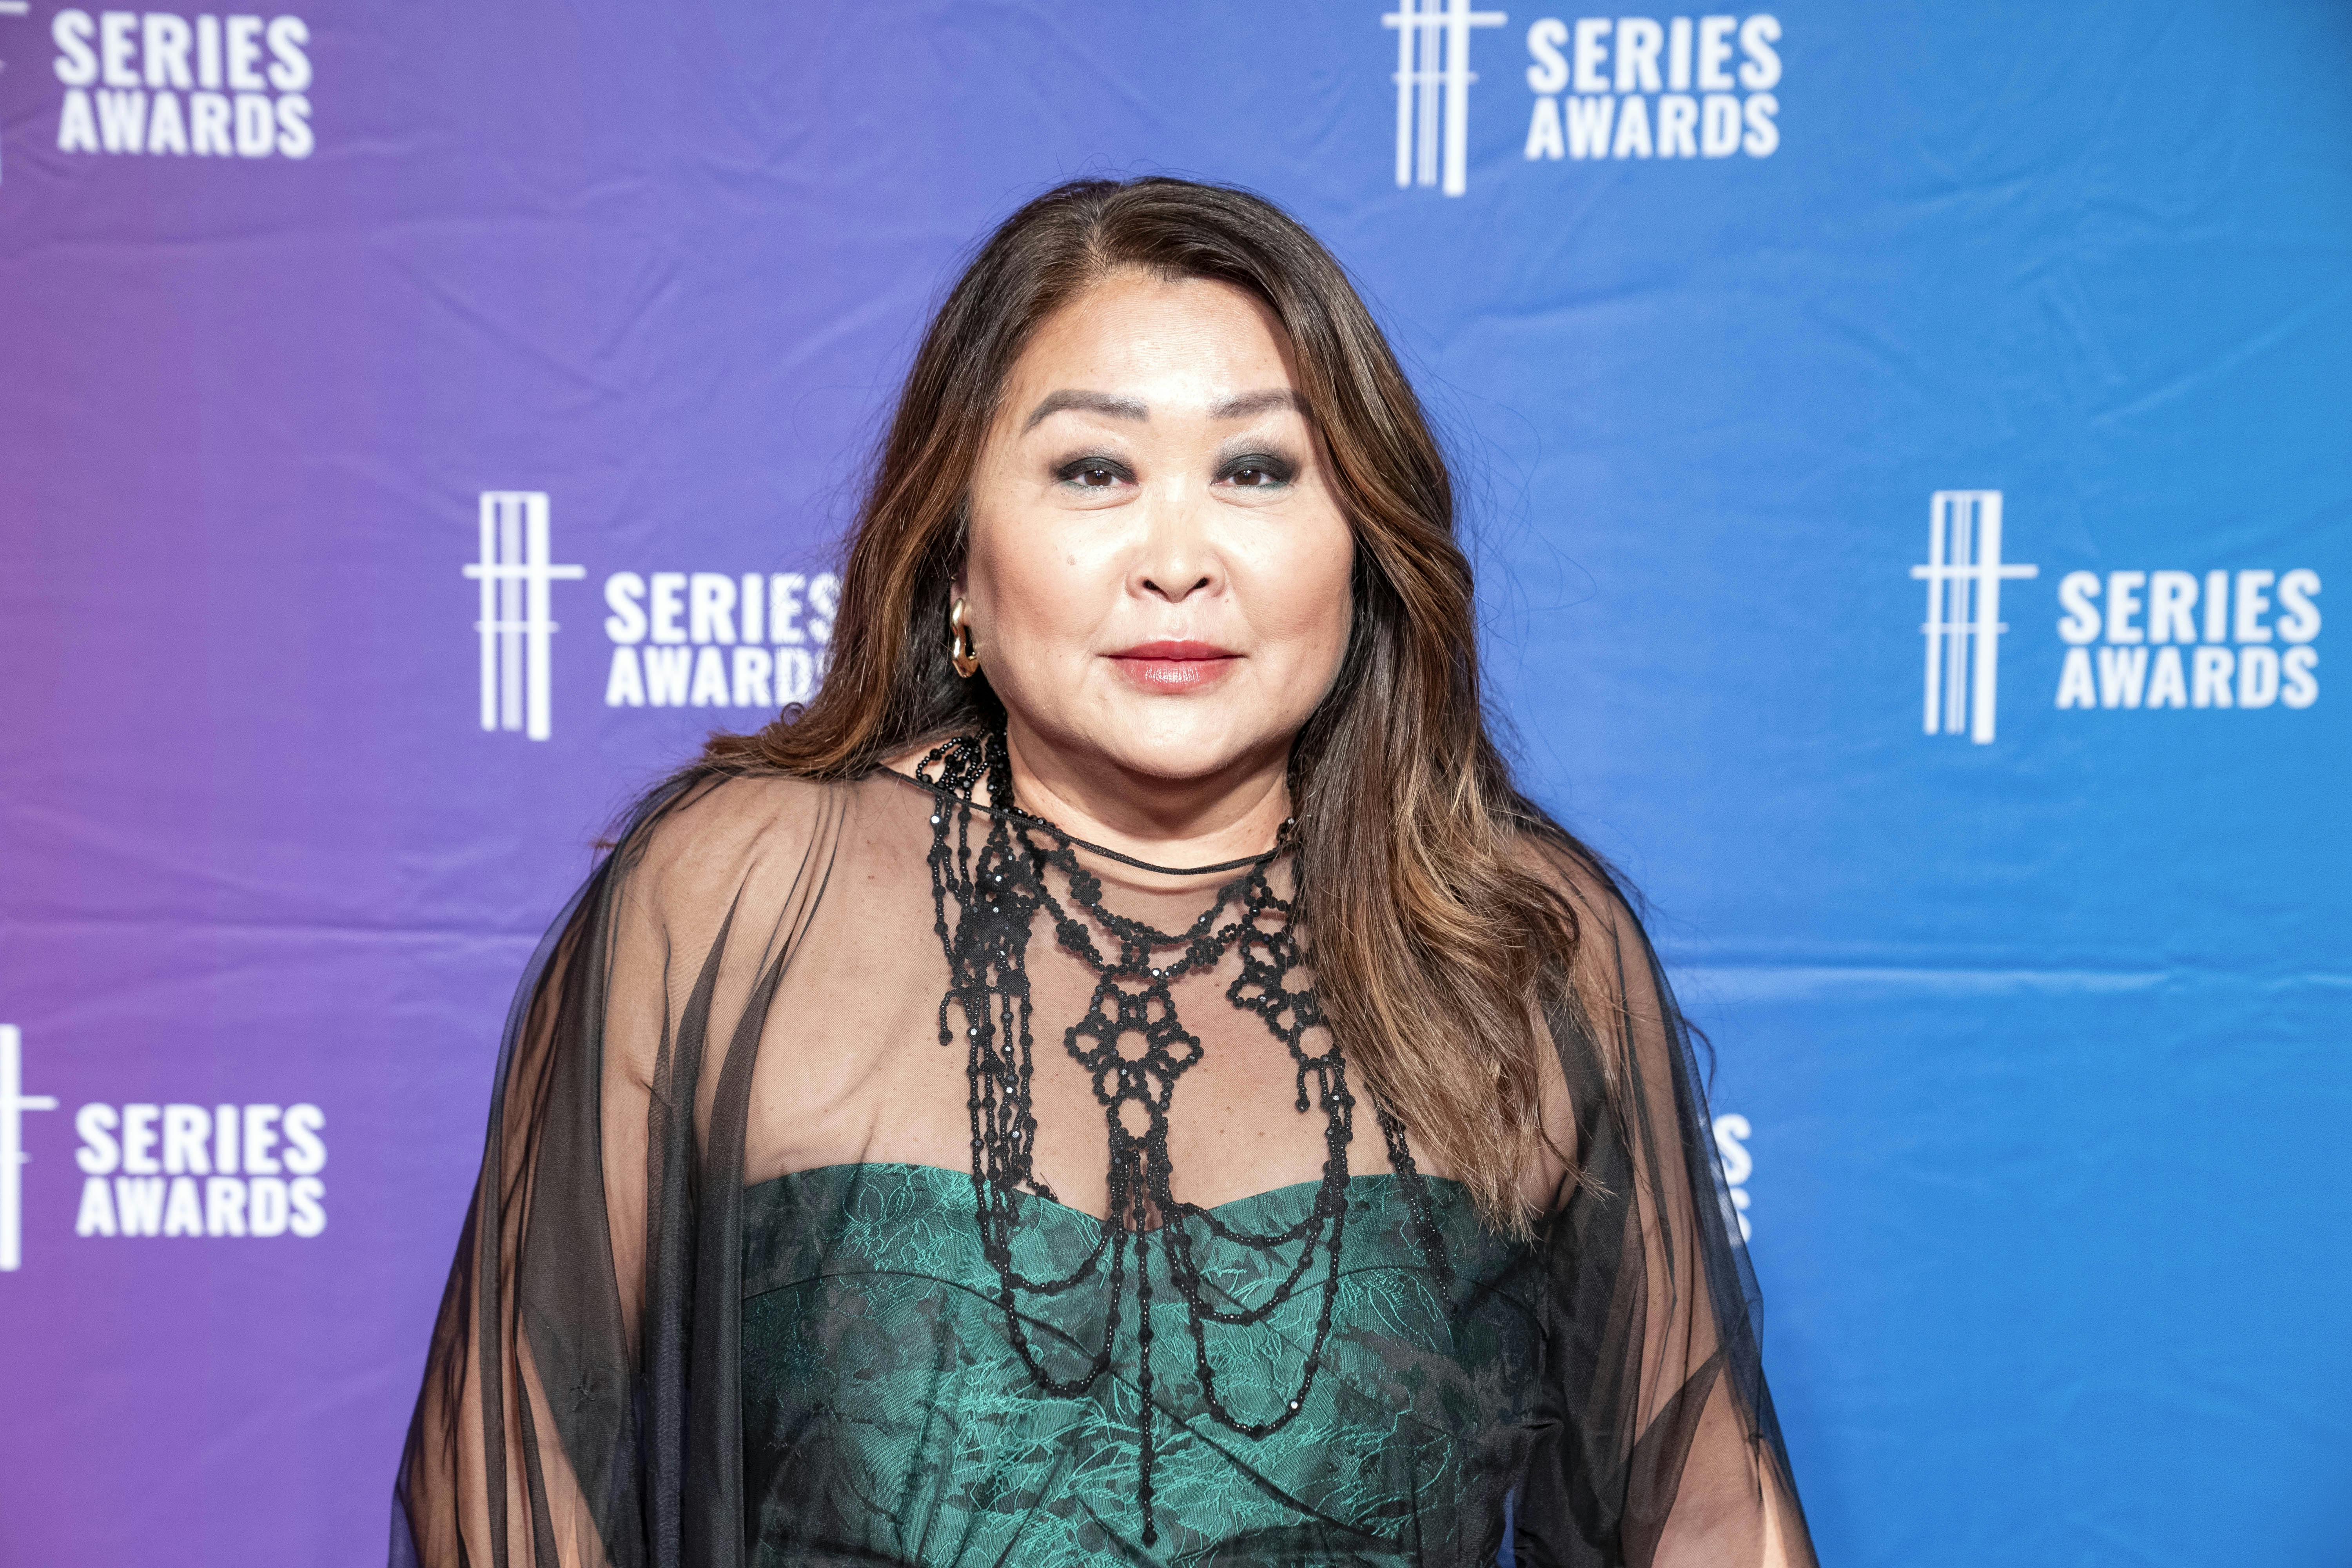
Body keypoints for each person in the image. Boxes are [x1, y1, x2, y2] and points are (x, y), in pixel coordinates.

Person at [391, 175, 1816, 1568]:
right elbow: (509, 1482)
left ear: (1364, 548)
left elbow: (1708, 1522)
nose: (1177, 560)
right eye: (1094, 472)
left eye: (1256, 470)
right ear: (958, 555)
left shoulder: (1519, 941)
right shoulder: (738, 898)